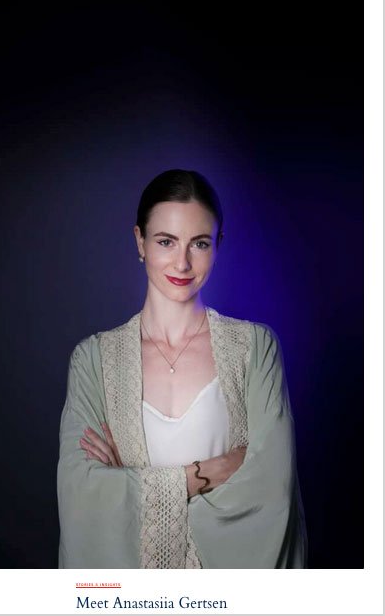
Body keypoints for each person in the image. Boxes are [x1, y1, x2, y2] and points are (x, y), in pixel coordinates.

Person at [57, 169, 307, 569]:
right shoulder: (93, 361)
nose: (182, 262)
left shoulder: (255, 348)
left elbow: (271, 491)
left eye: (200, 243)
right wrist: (210, 472)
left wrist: (130, 486)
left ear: (218, 246)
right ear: (140, 241)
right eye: (166, 241)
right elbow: (83, 499)